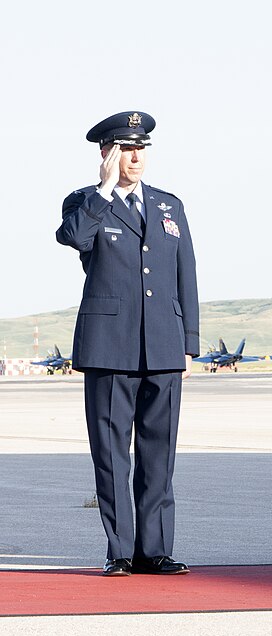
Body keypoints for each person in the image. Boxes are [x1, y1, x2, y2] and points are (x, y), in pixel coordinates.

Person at [56, 111, 199, 577]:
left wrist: (189, 343)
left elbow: (185, 276)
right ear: (106, 153)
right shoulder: (83, 203)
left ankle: (155, 550)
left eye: (141, 148)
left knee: (159, 454)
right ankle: (119, 550)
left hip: (163, 345)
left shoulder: (168, 205)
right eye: (125, 148)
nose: (136, 157)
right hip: (110, 346)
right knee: (112, 454)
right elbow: (75, 238)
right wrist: (101, 190)